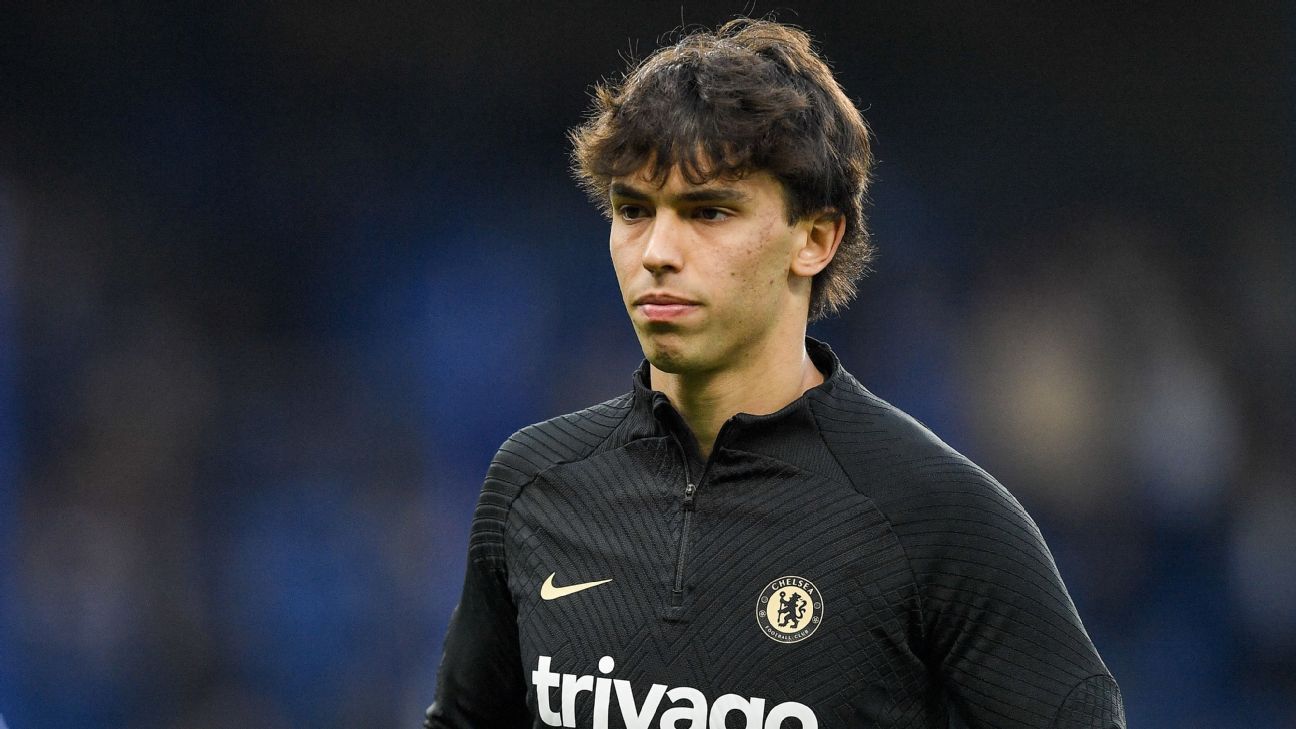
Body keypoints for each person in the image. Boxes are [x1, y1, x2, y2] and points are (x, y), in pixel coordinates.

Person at [426, 18, 1123, 729]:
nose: (657, 250)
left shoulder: (939, 521)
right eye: (633, 209)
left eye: (708, 211)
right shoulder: (533, 484)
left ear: (815, 238)